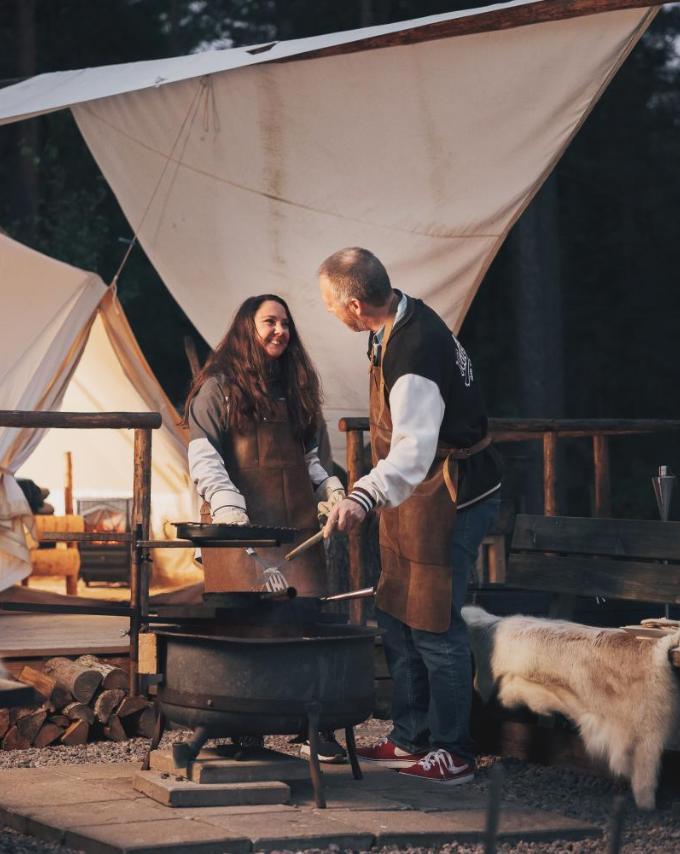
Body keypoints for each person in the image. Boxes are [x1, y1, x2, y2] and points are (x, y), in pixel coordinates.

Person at [318, 247, 502, 785]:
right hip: (412, 495)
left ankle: (454, 751)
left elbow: (413, 452)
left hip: (448, 493)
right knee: (397, 614)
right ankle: (410, 737)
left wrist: (362, 496)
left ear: (355, 305)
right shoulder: (393, 321)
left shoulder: (415, 351)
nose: (328, 312)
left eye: (330, 303)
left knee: (435, 623)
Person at [184, 293, 348, 760]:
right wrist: (228, 511)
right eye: (268, 322)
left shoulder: (296, 389)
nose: (279, 331)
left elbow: (312, 460)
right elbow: (205, 457)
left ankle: (313, 727)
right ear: (246, 329)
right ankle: (246, 728)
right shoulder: (218, 388)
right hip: (241, 529)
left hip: (296, 529)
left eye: (285, 324)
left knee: (306, 628)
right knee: (246, 629)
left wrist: (332, 491)